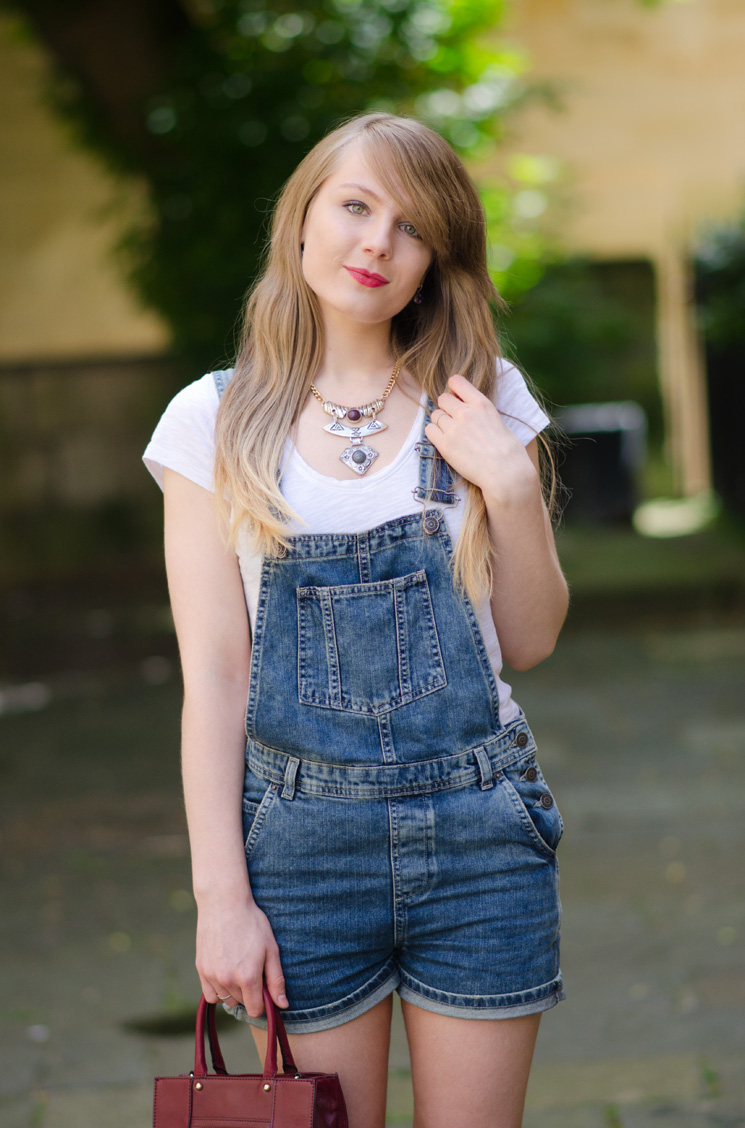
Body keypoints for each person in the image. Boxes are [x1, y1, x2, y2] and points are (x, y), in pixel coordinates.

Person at [144, 112, 569, 1128]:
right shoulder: (212, 420)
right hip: (299, 848)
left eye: (411, 225)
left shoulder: (479, 401)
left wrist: (508, 483)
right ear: (302, 220)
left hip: (481, 835)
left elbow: (531, 639)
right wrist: (222, 901)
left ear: (436, 260)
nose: (377, 241)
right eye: (354, 206)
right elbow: (215, 680)